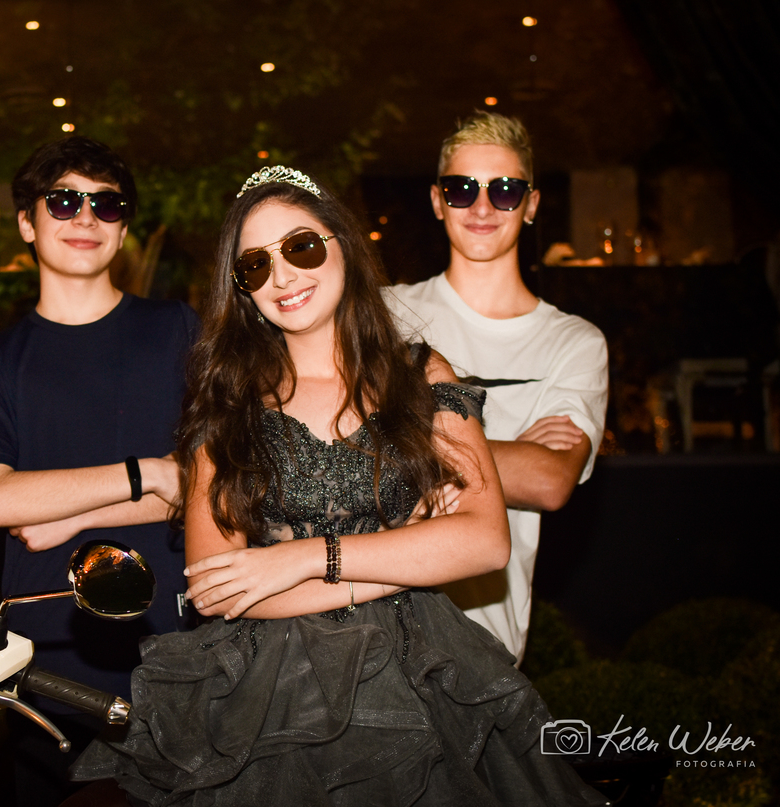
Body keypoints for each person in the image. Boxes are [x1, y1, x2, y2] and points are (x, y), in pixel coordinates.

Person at [72, 166, 606, 805]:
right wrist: (408, 556)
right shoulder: (228, 403)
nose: (283, 276)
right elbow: (217, 588)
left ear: (342, 246)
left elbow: (485, 542)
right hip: (266, 698)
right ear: (242, 289)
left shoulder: (422, 374)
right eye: (255, 265)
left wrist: (299, 559)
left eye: (300, 247)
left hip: (422, 677)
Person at [0, 135, 199, 805]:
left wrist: (67, 514)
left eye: (106, 204)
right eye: (64, 202)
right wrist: (150, 472)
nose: (86, 217)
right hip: (49, 659)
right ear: (27, 223)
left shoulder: (178, 330)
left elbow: (211, 480)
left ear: (124, 228)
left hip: (175, 650)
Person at [387, 112, 609, 664]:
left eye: (505, 190)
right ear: (437, 200)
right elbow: (338, 442)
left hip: (487, 650)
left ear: (531, 205)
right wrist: (508, 455)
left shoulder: (573, 342)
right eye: (461, 189)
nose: (482, 207)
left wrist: (408, 438)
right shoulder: (387, 315)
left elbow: (551, 481)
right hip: (377, 625)